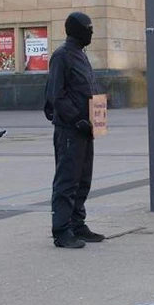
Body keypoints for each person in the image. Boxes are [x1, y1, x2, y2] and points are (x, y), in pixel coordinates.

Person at [44, 12, 104, 248]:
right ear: (76, 30)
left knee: (83, 178)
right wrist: (74, 118)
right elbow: (56, 94)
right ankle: (61, 230)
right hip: (70, 129)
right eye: (87, 28)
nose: (91, 32)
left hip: (86, 128)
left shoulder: (80, 55)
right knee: (67, 180)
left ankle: (78, 224)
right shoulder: (62, 56)